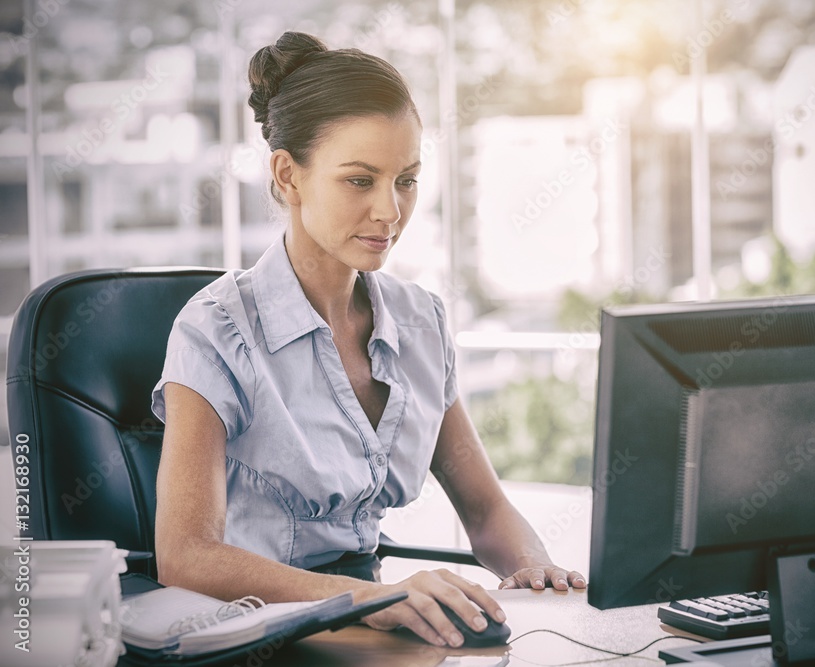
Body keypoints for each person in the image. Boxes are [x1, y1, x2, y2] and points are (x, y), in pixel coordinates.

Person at [151, 31, 586, 649]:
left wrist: (536, 569)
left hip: (377, 626)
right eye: (360, 181)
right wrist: (367, 600)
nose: (391, 210)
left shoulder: (420, 322)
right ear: (288, 174)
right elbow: (186, 556)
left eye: (406, 179)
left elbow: (486, 514)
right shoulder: (215, 330)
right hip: (255, 637)